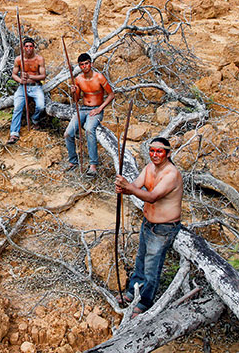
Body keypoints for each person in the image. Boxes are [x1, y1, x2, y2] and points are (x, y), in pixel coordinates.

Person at [114, 137, 183, 318]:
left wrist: (128, 188)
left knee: (152, 266)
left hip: (164, 228)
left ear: (168, 153)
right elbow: (135, 186)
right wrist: (124, 187)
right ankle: (133, 291)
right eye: (152, 151)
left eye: (159, 151)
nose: (155, 154)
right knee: (141, 260)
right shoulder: (149, 168)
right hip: (148, 223)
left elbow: (152, 197)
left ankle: (145, 302)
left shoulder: (171, 174)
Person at [64, 53, 115, 176]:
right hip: (83, 109)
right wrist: (73, 92)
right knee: (68, 133)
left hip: (96, 109)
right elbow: (76, 99)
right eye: (82, 64)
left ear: (91, 64)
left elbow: (111, 94)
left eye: (86, 63)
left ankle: (93, 165)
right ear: (79, 66)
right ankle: (73, 161)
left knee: (89, 130)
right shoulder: (78, 79)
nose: (84, 66)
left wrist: (100, 108)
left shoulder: (99, 77)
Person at [7, 37, 46, 145]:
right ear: (23, 47)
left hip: (36, 87)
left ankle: (35, 119)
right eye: (27, 46)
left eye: (31, 46)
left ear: (34, 47)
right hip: (22, 87)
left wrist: (30, 76)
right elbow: (14, 74)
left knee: (41, 106)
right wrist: (20, 80)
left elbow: (43, 76)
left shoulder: (39, 59)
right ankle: (14, 133)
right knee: (17, 107)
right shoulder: (19, 59)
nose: (29, 48)